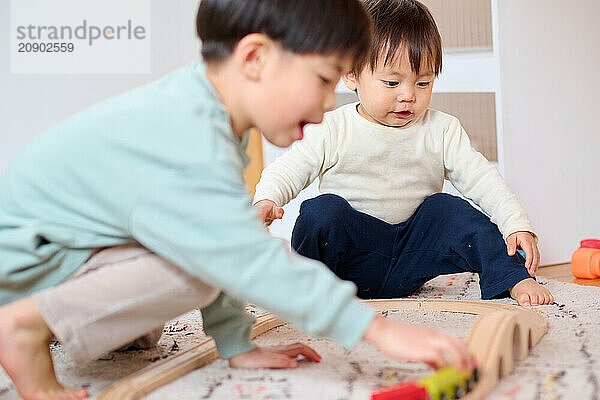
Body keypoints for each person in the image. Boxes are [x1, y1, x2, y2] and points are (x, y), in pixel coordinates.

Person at [0, 1, 475, 399]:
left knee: (206, 253)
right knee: (206, 264)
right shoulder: (192, 138)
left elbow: (213, 235)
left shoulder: (202, 113)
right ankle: (24, 326)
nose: (330, 103)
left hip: (59, 254)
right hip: (24, 267)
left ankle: (67, 316)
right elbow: (239, 258)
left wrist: (235, 343)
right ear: (255, 59)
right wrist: (379, 330)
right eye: (324, 79)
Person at [254, 0, 553, 308]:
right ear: (352, 74)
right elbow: (290, 167)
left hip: (414, 252)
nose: (408, 95)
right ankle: (305, 291)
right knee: (320, 212)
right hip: (350, 258)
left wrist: (516, 224)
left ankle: (512, 277)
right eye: (392, 82)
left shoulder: (442, 129)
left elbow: (482, 180)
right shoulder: (334, 128)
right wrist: (267, 198)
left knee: (449, 209)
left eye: (423, 83)